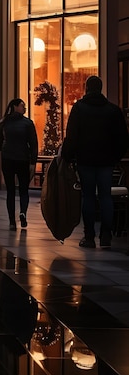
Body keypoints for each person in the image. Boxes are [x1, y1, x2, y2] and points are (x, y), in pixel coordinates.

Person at [62, 75, 129, 248]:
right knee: (106, 197)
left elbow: (72, 135)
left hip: (86, 160)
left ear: (86, 89)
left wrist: (68, 156)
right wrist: (115, 157)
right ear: (101, 89)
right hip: (106, 161)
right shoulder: (113, 110)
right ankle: (106, 236)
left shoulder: (79, 108)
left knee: (88, 197)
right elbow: (123, 138)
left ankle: (89, 236)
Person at [0, 98, 38, 231]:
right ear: (15, 107)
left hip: (7, 159)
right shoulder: (28, 123)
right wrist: (33, 162)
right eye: (22, 106)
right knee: (24, 189)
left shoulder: (4, 122)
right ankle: (23, 213)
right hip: (23, 159)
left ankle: (12, 220)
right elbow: (34, 144)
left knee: (10, 191)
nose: (24, 108)